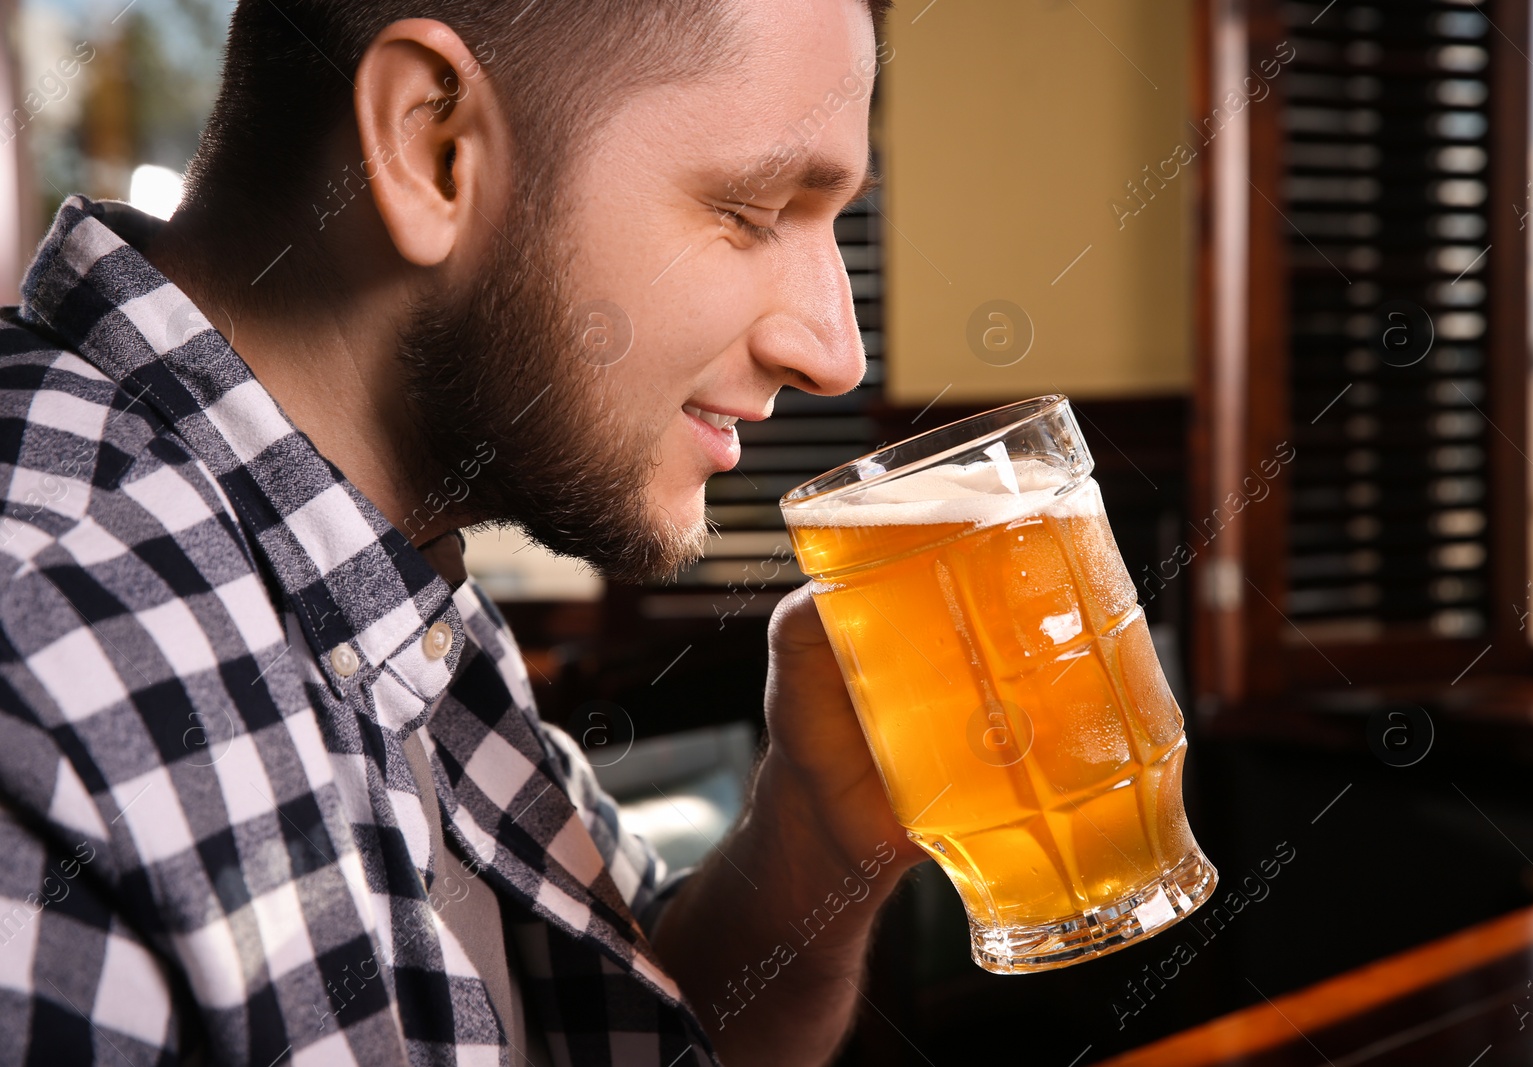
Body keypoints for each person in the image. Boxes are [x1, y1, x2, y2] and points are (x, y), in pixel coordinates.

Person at [0, 0, 917, 1063]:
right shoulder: (42, 672)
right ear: (432, 145)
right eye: (756, 210)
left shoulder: (373, 555)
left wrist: (817, 835)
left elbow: (627, 1028)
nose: (836, 353)